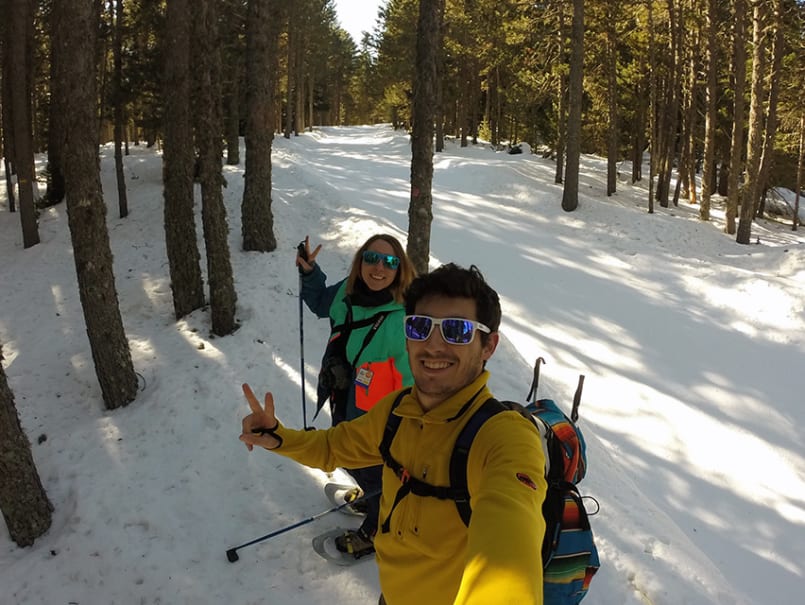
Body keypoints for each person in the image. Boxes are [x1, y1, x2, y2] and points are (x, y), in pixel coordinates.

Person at [240, 263, 547, 605]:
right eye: (419, 327)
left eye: (457, 331)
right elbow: (332, 447)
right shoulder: (399, 410)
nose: (433, 345)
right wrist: (278, 436)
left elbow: (509, 550)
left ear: (488, 345)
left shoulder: (505, 437)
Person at [295, 233, 416, 557]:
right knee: (349, 453)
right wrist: (310, 273)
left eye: (389, 261)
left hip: (383, 414)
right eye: (371, 258)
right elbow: (320, 301)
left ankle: (376, 528)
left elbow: (417, 374)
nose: (379, 268)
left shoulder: (407, 315)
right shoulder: (347, 292)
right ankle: (370, 498)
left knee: (373, 468)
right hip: (345, 395)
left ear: (400, 268)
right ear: (360, 261)